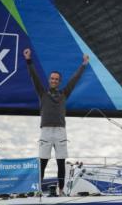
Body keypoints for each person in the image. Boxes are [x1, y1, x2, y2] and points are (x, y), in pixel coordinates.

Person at [23, 48, 89, 196]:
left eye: (56, 79)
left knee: (61, 163)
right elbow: (33, 76)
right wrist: (28, 60)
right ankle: (38, 190)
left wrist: (83, 64)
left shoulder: (64, 93)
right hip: (46, 131)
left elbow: (74, 79)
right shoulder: (42, 93)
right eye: (52, 78)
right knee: (43, 163)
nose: (54, 80)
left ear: (59, 82)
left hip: (60, 131)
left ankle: (61, 191)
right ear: (49, 80)